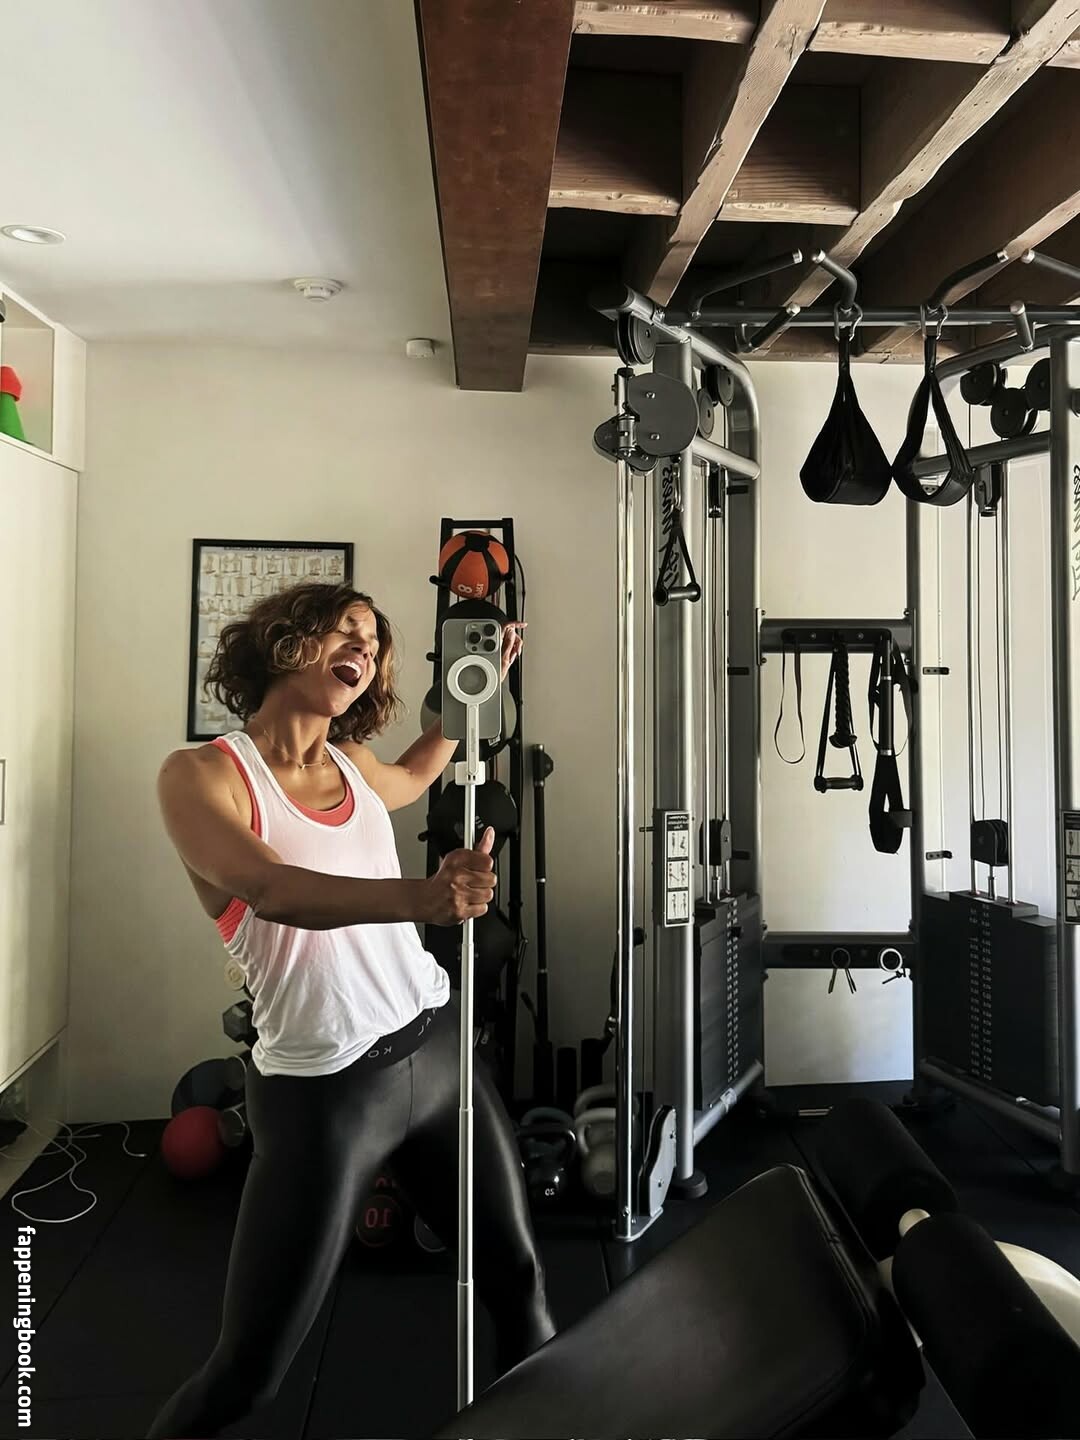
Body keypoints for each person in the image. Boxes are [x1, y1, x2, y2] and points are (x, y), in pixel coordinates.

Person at [148, 581, 553, 1438]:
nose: (364, 649)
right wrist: (425, 899)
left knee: (518, 1282)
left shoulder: (354, 765)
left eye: (373, 642)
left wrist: (469, 688)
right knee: (247, 1376)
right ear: (283, 641)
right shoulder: (204, 775)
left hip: (437, 1054)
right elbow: (269, 887)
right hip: (326, 1094)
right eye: (345, 631)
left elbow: (415, 771)